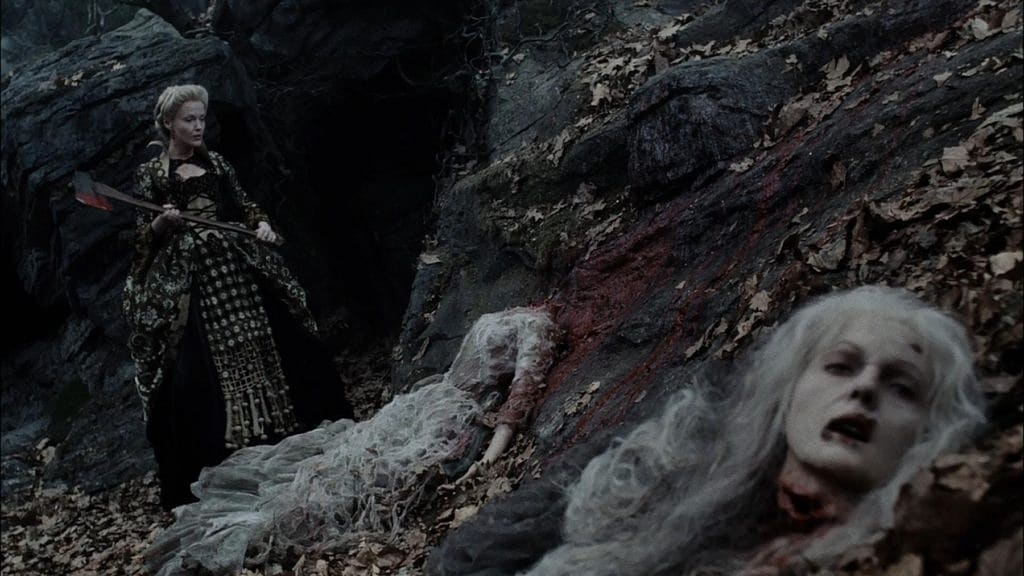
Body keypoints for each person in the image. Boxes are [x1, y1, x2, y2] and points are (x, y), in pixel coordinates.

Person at [514, 285, 986, 575]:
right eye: (841, 367)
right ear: (788, 388)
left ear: (929, 432)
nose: (864, 389)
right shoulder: (670, 483)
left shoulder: (917, 556)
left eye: (902, 388)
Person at [143, 307, 559, 576]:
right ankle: (241, 523)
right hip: (427, 402)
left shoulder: (536, 327)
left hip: (449, 417)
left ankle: (251, 531)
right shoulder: (517, 313)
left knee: (358, 480)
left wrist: (488, 457)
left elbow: (518, 400)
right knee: (339, 457)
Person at [123, 84, 352, 510]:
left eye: (201, 118)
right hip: (188, 277)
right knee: (193, 368)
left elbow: (247, 207)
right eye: (189, 120)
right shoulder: (151, 174)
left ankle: (282, 430)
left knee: (280, 336)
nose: (198, 126)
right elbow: (141, 240)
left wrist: (261, 224)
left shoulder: (218, 164)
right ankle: (221, 453)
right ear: (169, 123)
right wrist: (162, 225)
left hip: (236, 265)